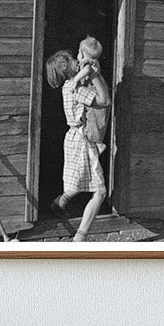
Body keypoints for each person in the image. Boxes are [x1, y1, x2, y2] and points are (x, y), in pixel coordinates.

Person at [44, 43, 111, 242]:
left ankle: (59, 202)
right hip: (82, 140)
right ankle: (80, 238)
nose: (77, 60)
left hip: (74, 138)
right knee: (100, 191)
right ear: (66, 67)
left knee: (79, 179)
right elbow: (105, 101)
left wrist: (89, 73)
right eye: (72, 60)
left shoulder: (70, 86)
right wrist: (96, 75)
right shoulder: (76, 90)